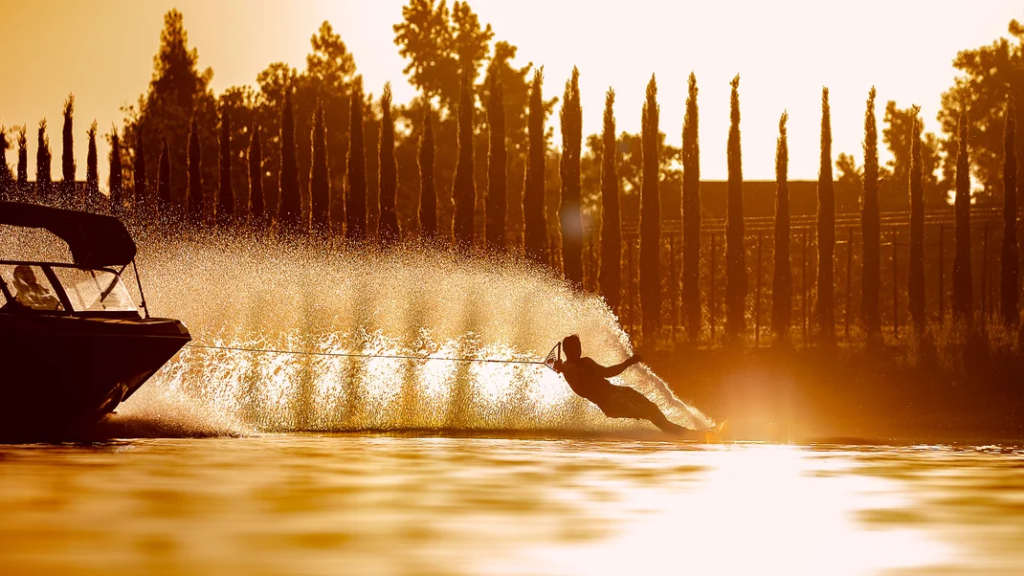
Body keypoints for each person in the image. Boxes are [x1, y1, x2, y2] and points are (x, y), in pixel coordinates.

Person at [552, 334, 688, 434]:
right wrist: (559, 366)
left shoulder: (586, 361)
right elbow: (567, 368)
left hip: (617, 392)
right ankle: (682, 433)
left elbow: (607, 372)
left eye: (578, 347)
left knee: (651, 407)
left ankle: (676, 430)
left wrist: (628, 362)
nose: (577, 351)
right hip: (610, 403)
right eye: (574, 349)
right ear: (566, 351)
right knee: (648, 412)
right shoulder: (568, 367)